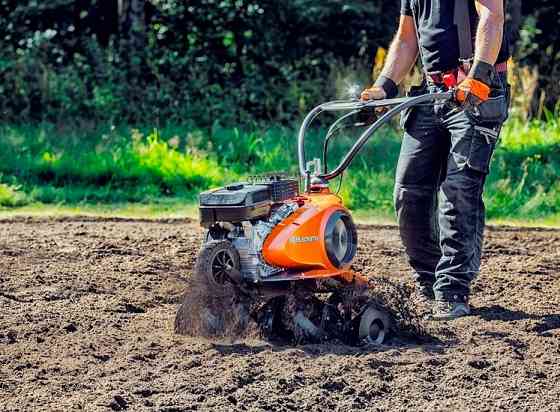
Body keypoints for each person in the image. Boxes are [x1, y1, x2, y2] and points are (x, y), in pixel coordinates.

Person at [361, 0, 510, 320]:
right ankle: (428, 283)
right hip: (431, 93)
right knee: (407, 191)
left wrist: (479, 74)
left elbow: (492, 17)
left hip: (477, 90)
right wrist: (383, 87)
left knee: (458, 189)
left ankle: (452, 290)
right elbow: (406, 39)